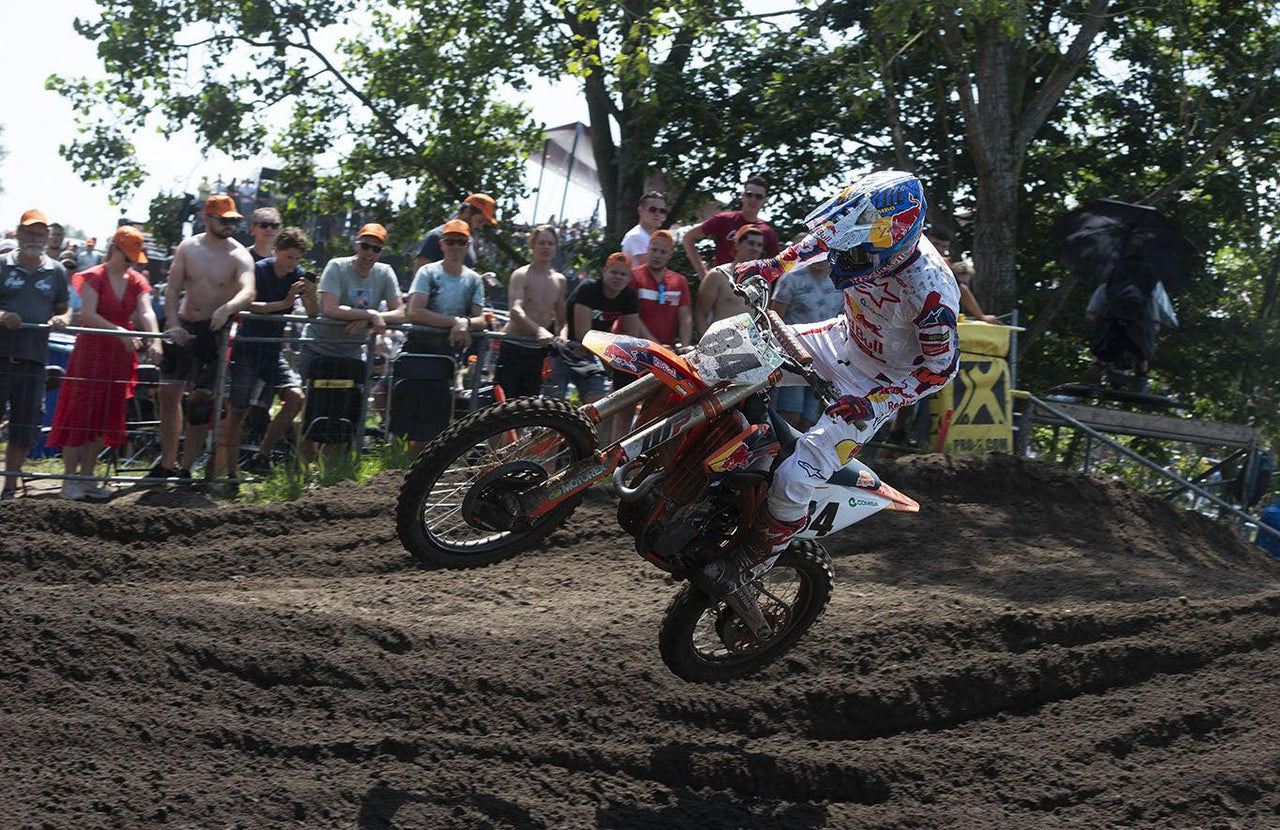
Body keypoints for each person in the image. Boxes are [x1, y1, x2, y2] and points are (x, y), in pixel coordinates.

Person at [699, 170, 960, 594]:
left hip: (880, 383)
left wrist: (881, 400)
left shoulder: (930, 292)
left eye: (857, 251)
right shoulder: (874, 232)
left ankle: (750, 564)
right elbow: (823, 238)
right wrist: (773, 265)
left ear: (896, 244)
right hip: (841, 337)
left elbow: (941, 369)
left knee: (796, 478)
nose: (843, 257)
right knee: (717, 358)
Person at [148, 195, 256, 481]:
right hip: (183, 323)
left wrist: (228, 308)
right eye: (224, 219)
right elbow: (171, 290)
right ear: (207, 218)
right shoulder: (188, 247)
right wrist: (172, 324)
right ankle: (166, 464)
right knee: (168, 393)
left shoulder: (239, 255)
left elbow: (248, 291)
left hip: (213, 331)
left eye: (234, 220)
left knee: (200, 401)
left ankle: (185, 468)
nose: (230, 225)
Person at [47, 227, 160, 500]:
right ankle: (69, 479)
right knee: (80, 414)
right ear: (114, 249)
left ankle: (87, 477)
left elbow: (145, 310)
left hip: (119, 358)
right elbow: (88, 314)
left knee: (104, 415)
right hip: (91, 354)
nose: (131, 261)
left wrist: (156, 339)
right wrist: (119, 332)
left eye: (135, 256)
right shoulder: (94, 276)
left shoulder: (136, 281)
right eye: (127, 255)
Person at [219, 226, 318, 477]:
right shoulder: (258, 270)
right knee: (238, 412)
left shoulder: (297, 275)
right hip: (248, 349)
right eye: (288, 257)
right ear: (276, 251)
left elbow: (314, 314)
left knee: (296, 398)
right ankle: (229, 475)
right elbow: (246, 304)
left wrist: (310, 295)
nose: (292, 264)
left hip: (273, 352)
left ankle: (261, 456)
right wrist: (283, 305)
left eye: (297, 259)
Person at [299, 224, 404, 452]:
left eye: (376, 249)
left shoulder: (385, 272)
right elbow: (329, 308)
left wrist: (366, 320)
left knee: (342, 411)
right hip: (319, 348)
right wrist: (370, 314)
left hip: (351, 353)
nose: (369, 252)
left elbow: (400, 312)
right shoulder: (337, 266)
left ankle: (331, 476)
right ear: (357, 244)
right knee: (313, 409)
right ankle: (303, 471)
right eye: (365, 246)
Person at [0, 210, 72, 499]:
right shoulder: (2, 265)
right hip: (1, 355)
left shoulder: (56, 271)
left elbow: (63, 307)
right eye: (30, 233)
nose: (35, 239)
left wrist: (63, 319)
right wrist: (3, 314)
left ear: (47, 239)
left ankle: (10, 488)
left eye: (40, 234)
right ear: (18, 233)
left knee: (24, 424)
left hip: (34, 358)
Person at [551, 252, 648, 440]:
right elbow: (582, 334)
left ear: (629, 277)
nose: (617, 277)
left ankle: (590, 453)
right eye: (614, 272)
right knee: (554, 408)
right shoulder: (588, 288)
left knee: (599, 408)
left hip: (592, 355)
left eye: (623, 274)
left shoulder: (628, 296)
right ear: (604, 272)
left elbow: (631, 335)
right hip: (567, 350)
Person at [768, 256, 842, 429]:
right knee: (789, 415)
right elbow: (773, 319)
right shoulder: (791, 278)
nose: (821, 258)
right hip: (793, 357)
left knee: (808, 421)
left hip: (824, 359)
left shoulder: (839, 281)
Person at [496, 224, 565, 398]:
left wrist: (563, 335)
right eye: (541, 243)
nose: (546, 247)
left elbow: (561, 320)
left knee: (529, 405)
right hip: (513, 345)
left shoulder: (559, 280)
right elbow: (515, 310)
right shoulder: (521, 275)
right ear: (532, 246)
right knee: (503, 403)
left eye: (550, 243)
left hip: (537, 351)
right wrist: (539, 330)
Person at [404, 218, 488, 358]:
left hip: (451, 353)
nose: (455, 246)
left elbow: (480, 320)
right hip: (418, 348)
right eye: (450, 242)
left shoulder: (474, 280)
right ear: (442, 244)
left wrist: (465, 323)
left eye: (460, 242)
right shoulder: (427, 272)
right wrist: (456, 322)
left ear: (467, 246)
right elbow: (415, 313)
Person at [682, 176, 781, 280]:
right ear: (743, 196)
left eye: (758, 196)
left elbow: (778, 265)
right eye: (749, 194)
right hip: (719, 283)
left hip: (747, 288)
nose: (753, 199)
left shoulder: (767, 232)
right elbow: (688, 237)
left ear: (765, 200)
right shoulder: (724, 220)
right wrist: (702, 273)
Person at [694, 224, 765, 335]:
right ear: (737, 245)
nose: (755, 248)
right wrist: (708, 346)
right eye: (751, 243)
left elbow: (763, 318)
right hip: (721, 344)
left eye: (759, 245)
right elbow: (701, 315)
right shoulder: (717, 275)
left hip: (752, 346)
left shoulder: (763, 282)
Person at [630, 229, 692, 349]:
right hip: (636, 348)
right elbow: (632, 317)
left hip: (666, 350)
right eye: (654, 250)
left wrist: (685, 347)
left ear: (670, 254)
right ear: (647, 249)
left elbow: (685, 317)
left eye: (663, 252)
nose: (657, 255)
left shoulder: (679, 281)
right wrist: (656, 346)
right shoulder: (633, 277)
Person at [924, 225, 999, 324]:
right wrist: (981, 316)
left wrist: (981, 316)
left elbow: (960, 288)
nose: (939, 249)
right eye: (936, 244)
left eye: (944, 246)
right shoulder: (909, 255)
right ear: (926, 240)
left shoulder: (942, 264)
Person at [412, 193, 498, 275]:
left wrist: (479, 278)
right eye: (480, 221)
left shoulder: (469, 242)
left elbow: (463, 276)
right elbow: (419, 276)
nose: (480, 227)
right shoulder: (435, 237)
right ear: (466, 211)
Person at [620, 191, 668, 268]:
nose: (657, 214)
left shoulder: (650, 236)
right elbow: (653, 269)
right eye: (653, 209)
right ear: (640, 211)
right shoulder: (637, 236)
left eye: (662, 211)